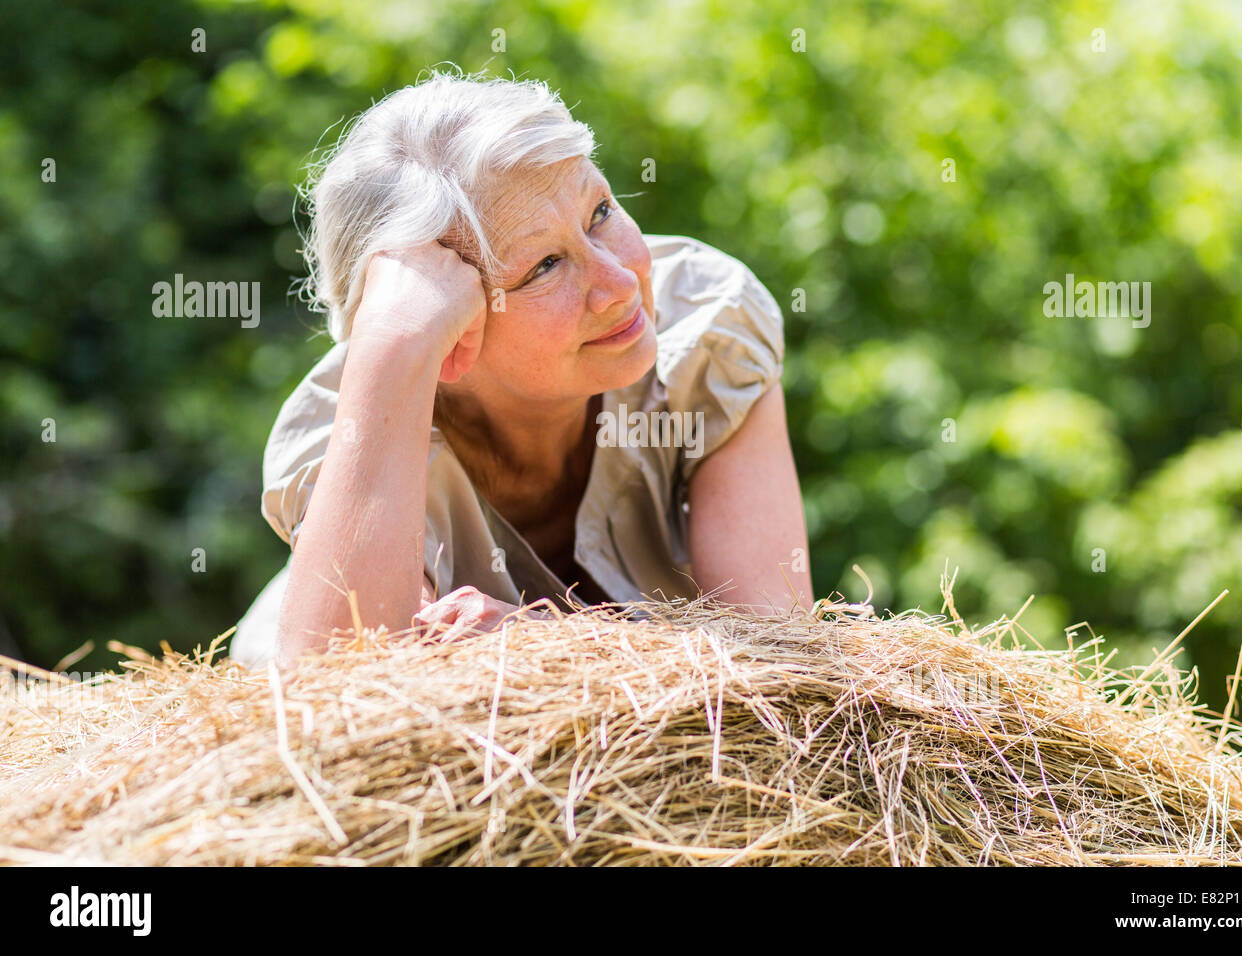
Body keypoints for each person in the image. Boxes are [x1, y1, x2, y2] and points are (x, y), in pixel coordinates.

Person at [230, 68, 813, 669]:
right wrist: (393, 348)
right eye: (544, 266)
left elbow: (778, 666)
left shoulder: (707, 324)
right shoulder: (343, 429)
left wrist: (549, 646)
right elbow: (335, 697)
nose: (619, 283)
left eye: (601, 213)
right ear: (447, 324)